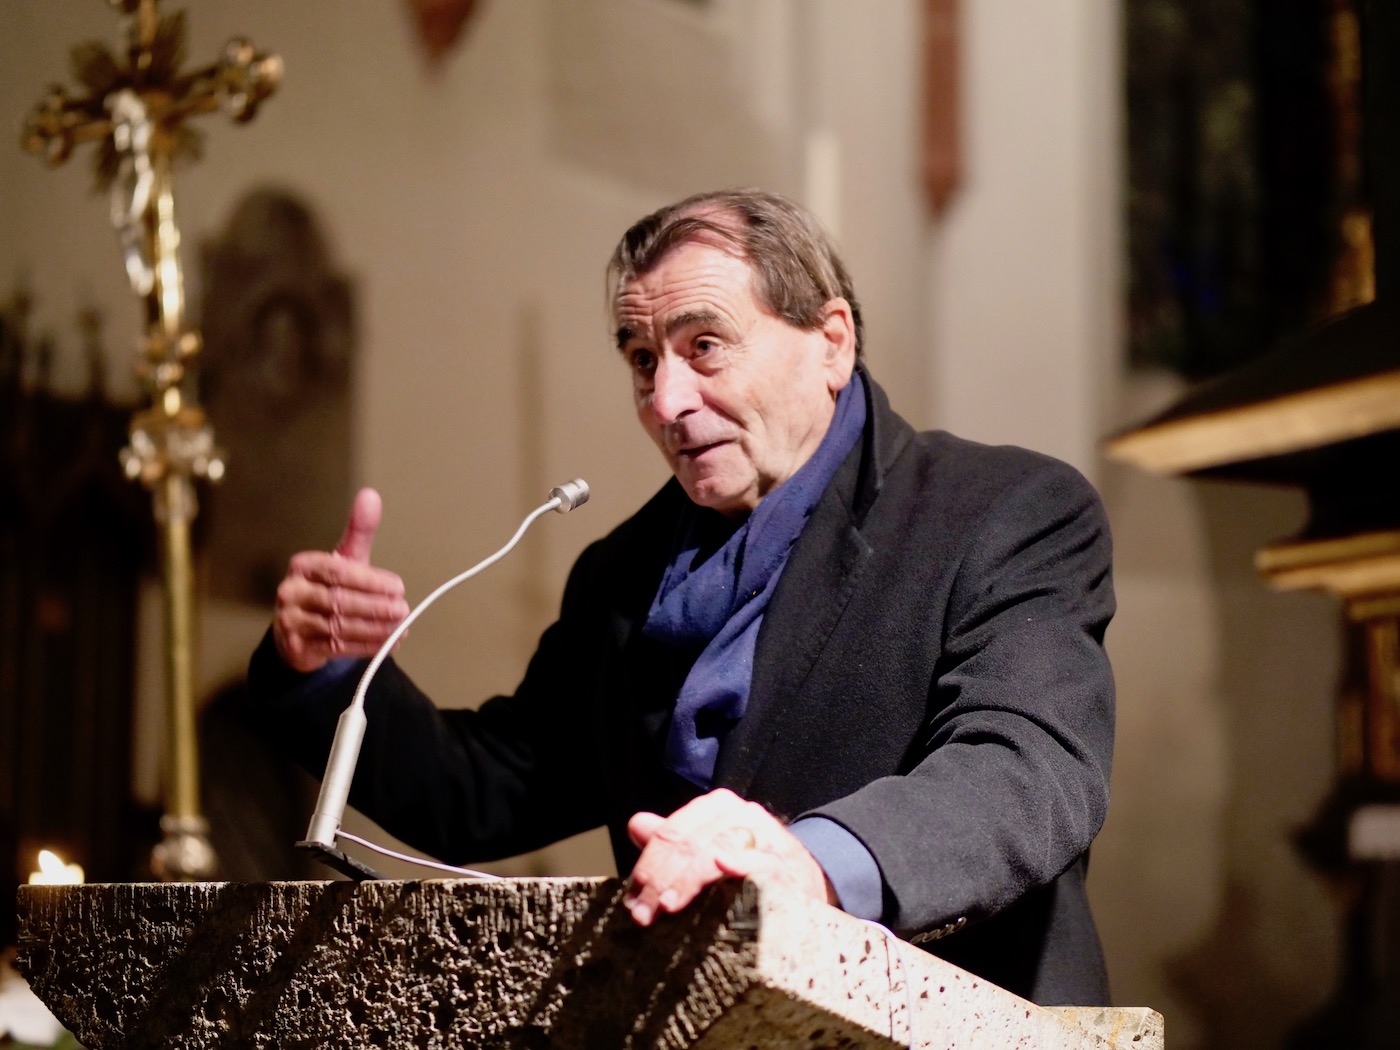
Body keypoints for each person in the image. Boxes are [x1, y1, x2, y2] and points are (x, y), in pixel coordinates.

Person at [245, 188, 1116, 1006]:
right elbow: (489, 789)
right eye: (642, 359)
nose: (666, 401)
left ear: (832, 342)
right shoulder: (621, 574)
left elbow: (1025, 770)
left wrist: (810, 864)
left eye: (704, 346)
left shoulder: (1003, 512)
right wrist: (330, 675)